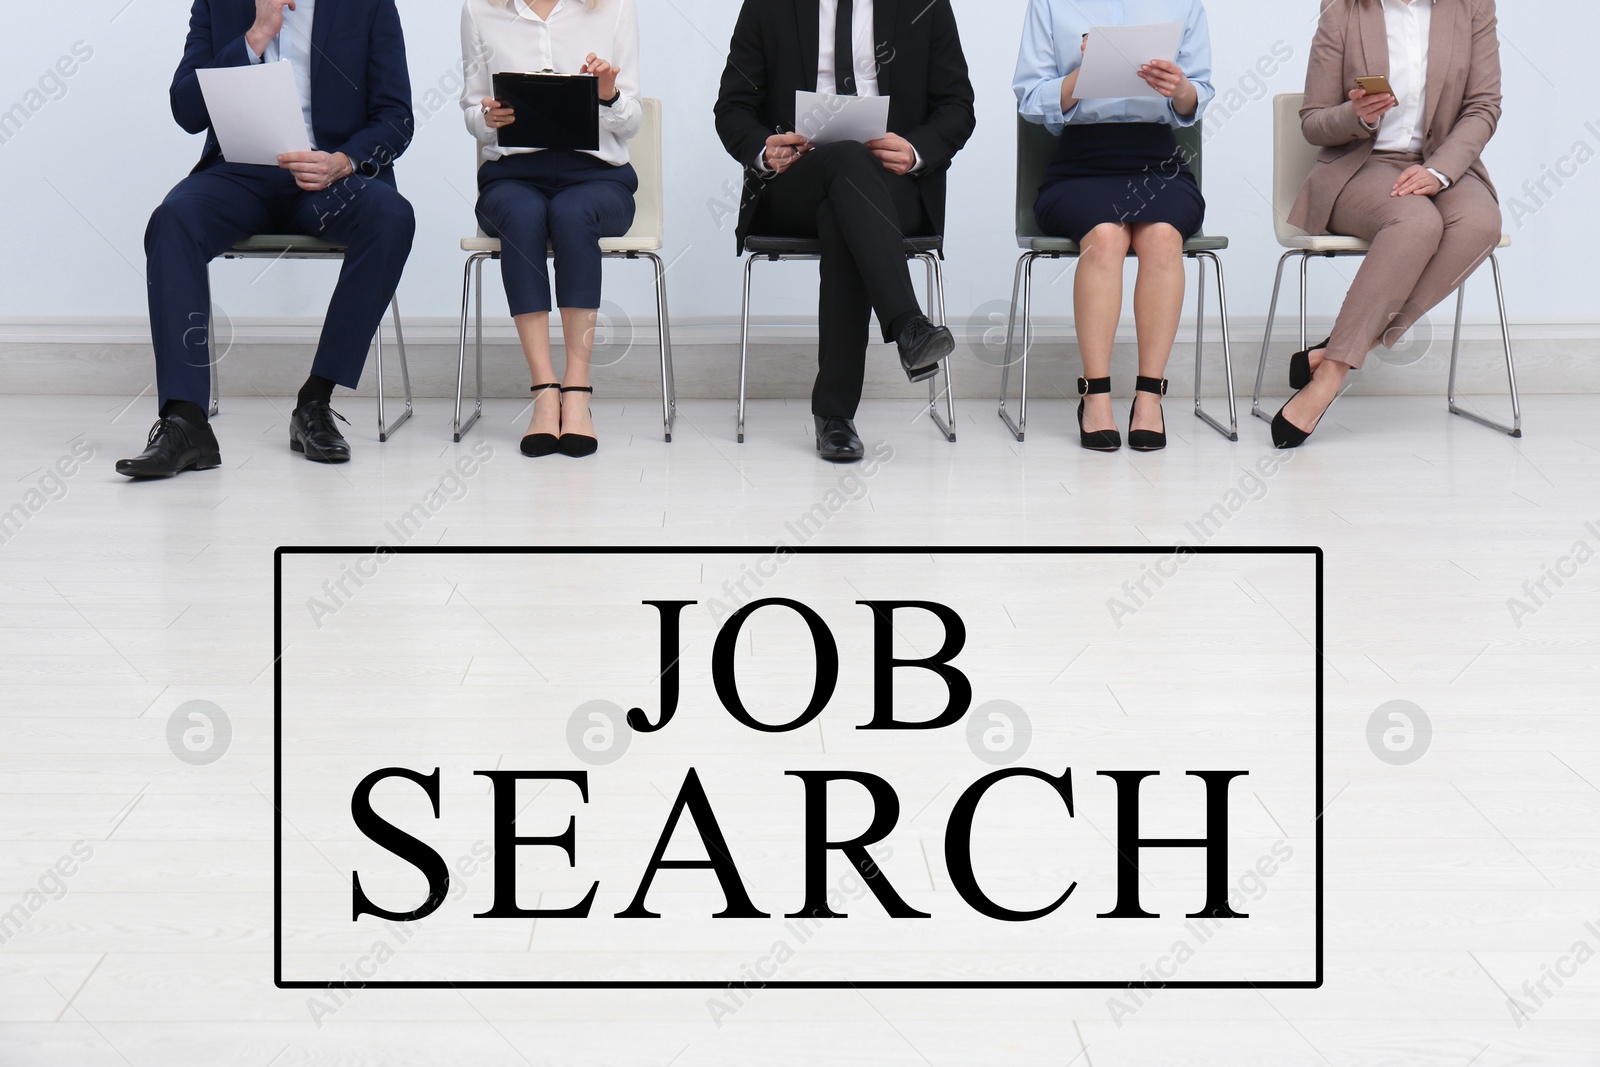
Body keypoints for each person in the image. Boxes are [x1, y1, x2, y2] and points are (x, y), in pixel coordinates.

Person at [118, 0, 416, 479]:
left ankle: (315, 401)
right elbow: (186, 110)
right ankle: (185, 421)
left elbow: (397, 118)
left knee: (391, 215)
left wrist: (343, 160)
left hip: (329, 178)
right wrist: (256, 34)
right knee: (172, 219)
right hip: (239, 173)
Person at [714, 0, 975, 463]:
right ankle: (908, 325)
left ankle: (835, 417)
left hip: (893, 184)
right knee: (847, 167)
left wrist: (916, 150)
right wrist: (763, 150)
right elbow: (732, 106)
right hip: (794, 181)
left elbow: (957, 106)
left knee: (846, 208)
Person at [1274, 0, 1503, 448]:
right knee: (1416, 223)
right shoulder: (1343, 10)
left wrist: (1439, 172)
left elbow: (1483, 105)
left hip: (1444, 164)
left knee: (1480, 224)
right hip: (1360, 166)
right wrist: (1356, 115)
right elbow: (1314, 121)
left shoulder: (1473, 7)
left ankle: (1333, 354)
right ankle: (1327, 381)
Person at [1014, 0, 1215, 453]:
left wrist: (1178, 86)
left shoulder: (1183, 4)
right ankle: (1096, 396)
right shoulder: (1049, 4)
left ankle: (1149, 398)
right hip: (1081, 163)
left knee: (1163, 238)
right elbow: (1029, 99)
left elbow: (1198, 96)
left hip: (1157, 160)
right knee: (1105, 237)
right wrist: (1084, 76)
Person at [462, 0, 641, 459]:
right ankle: (545, 393)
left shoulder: (615, 9)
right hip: (513, 176)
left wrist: (607, 94)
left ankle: (577, 391)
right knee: (520, 216)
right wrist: (487, 118)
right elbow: (472, 109)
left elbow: (632, 121)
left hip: (597, 176)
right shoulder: (480, 10)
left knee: (571, 213)